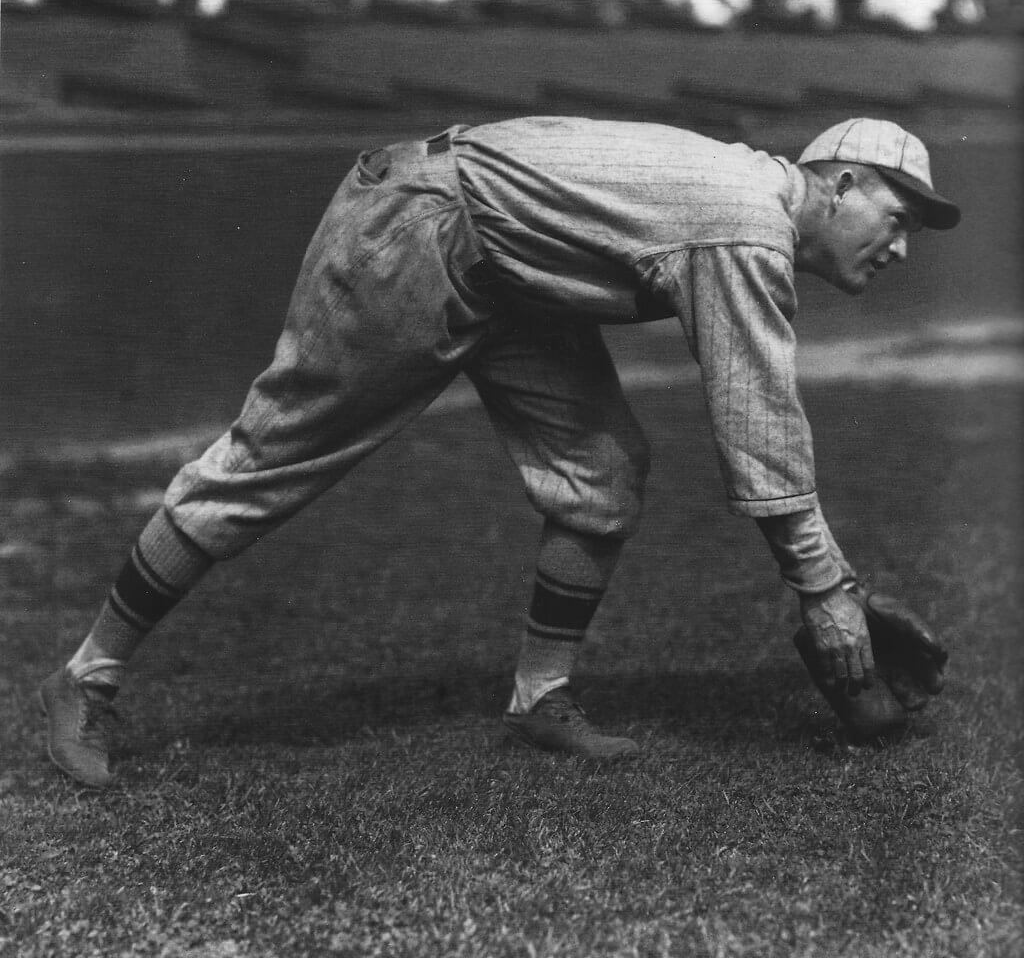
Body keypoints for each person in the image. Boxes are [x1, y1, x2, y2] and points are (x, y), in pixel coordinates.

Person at [38, 115, 961, 789]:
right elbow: (758, 427)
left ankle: (538, 697)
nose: (905, 247)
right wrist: (827, 592)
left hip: (511, 267)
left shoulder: (754, 206)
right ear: (838, 182)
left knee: (601, 477)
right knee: (267, 461)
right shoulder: (746, 225)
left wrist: (829, 585)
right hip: (417, 229)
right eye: (900, 211)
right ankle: (86, 679)